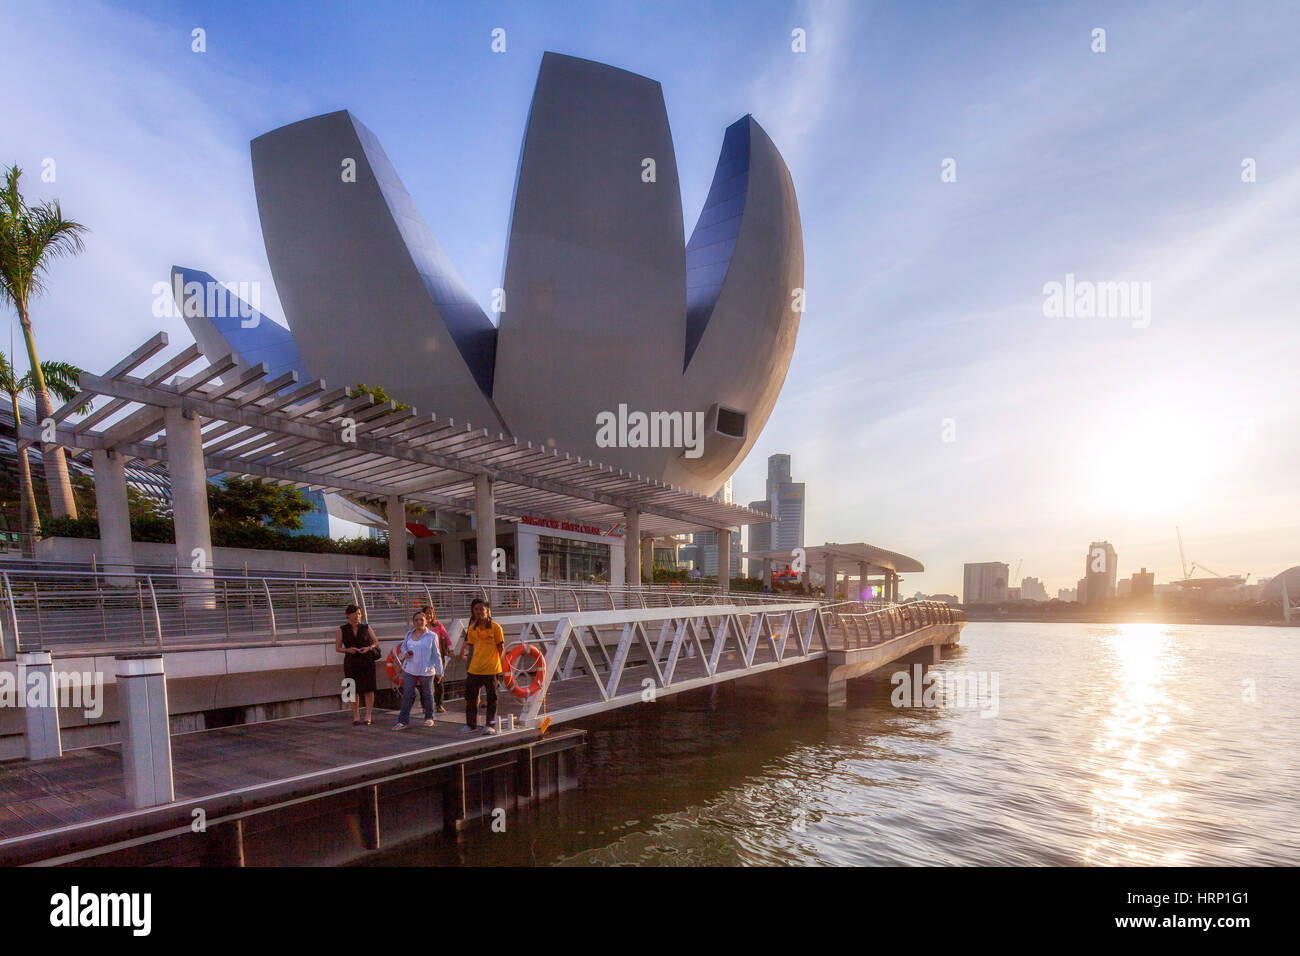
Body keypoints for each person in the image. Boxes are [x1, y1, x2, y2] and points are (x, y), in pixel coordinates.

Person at [393, 610, 444, 730]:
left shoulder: (432, 636)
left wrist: (439, 670)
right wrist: (405, 653)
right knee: (407, 694)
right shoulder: (409, 634)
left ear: (426, 621)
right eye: (416, 620)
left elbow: (436, 654)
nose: (419, 622)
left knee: (427, 694)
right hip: (410, 668)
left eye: (421, 619)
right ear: (413, 622)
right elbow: (404, 645)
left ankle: (429, 717)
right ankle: (402, 721)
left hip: (426, 670)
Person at [461, 598, 504, 735]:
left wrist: (497, 663)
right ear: (473, 611)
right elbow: (471, 649)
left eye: (482, 609)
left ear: (487, 610)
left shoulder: (496, 628)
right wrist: (469, 666)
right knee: (471, 698)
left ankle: (490, 724)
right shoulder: (472, 628)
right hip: (475, 669)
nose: (479, 612)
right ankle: (470, 724)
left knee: (492, 698)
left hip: (491, 669)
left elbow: (501, 647)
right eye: (476, 609)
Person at [336, 604, 379, 726]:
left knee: (369, 688)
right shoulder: (341, 629)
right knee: (352, 689)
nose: (357, 616)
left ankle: (368, 715)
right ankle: (356, 716)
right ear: (348, 615)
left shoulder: (366, 627)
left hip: (367, 660)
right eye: (355, 614)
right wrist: (349, 650)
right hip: (351, 661)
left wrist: (369, 647)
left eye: (359, 614)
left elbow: (376, 642)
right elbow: (338, 648)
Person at [421, 604, 453, 713]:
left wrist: (451, 649)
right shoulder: (421, 627)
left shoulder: (438, 625)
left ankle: (439, 704)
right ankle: (425, 706)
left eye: (431, 613)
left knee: (439, 681)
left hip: (437, 656)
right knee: (424, 682)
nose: (429, 615)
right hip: (425, 658)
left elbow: (447, 637)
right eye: (427, 613)